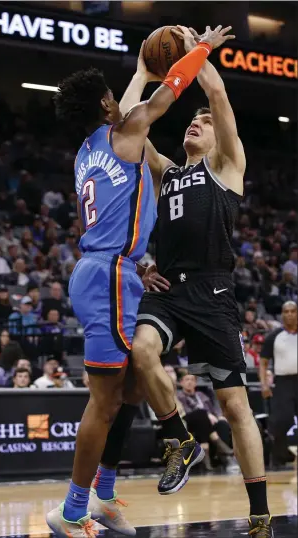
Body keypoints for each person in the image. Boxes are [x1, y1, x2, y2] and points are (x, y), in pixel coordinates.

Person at [47, 26, 227, 538]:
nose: (118, 102)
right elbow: (170, 91)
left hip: (115, 269)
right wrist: (200, 50)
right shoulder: (124, 135)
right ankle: (72, 510)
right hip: (106, 276)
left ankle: (103, 497)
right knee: (103, 402)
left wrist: (136, 263)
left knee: (125, 392)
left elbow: (124, 112)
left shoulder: (89, 150)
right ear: (107, 110)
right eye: (111, 99)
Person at [115, 25, 272, 536]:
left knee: (234, 405)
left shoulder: (227, 167)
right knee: (140, 352)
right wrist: (141, 74)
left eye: (203, 124)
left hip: (215, 293)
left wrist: (194, 50)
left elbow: (218, 93)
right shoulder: (166, 172)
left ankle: (259, 511)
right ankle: (178, 439)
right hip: (170, 290)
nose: (195, 124)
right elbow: (125, 126)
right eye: (191, 123)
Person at [260, 301, 297, 466]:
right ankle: (281, 457)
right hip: (283, 382)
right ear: (282, 314)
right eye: (286, 311)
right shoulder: (273, 336)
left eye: (292, 311)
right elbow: (263, 363)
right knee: (283, 419)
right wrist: (264, 385)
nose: (289, 314)